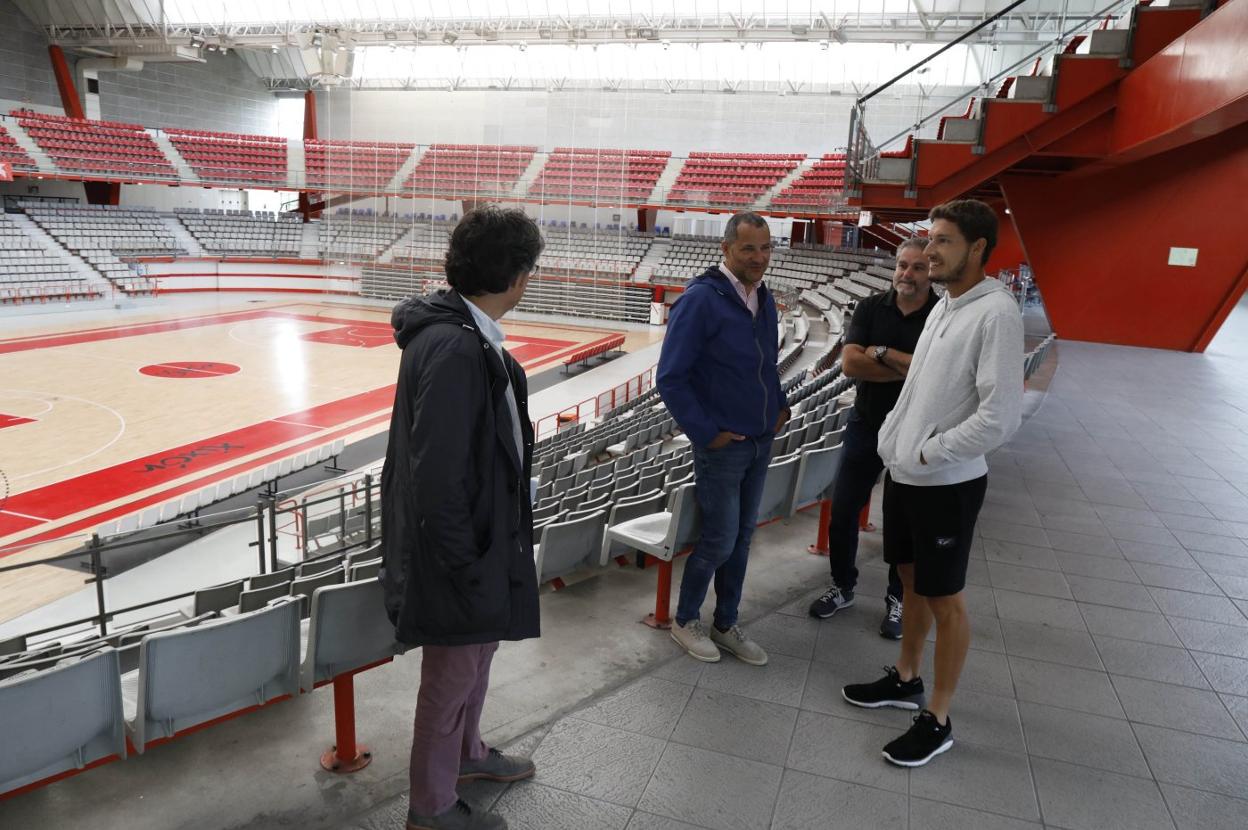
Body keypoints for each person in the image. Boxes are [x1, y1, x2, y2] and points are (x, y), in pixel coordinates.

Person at [842, 199, 1023, 767]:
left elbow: (1000, 417)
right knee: (912, 579)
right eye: (929, 239)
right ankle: (906, 677)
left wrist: (929, 451)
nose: (929, 251)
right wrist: (897, 441)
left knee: (946, 599)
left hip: (946, 482)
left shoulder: (996, 314)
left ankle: (938, 717)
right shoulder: (947, 305)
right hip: (909, 473)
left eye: (943, 241)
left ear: (977, 249)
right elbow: (917, 386)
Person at [380, 207, 544, 830]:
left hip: (484, 540)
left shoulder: (467, 335)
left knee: (476, 663)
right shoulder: (453, 346)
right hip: (459, 553)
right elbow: (437, 477)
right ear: (518, 276)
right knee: (449, 680)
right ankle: (432, 806)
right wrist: (464, 566)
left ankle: (469, 755)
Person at [657, 211, 789, 665]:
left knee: (743, 536)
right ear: (726, 249)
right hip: (724, 445)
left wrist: (780, 404)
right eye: (749, 248)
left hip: (760, 437)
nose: (759, 257)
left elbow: (766, 363)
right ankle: (686, 619)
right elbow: (671, 378)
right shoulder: (700, 300)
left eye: (766, 247)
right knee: (720, 538)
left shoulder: (763, 297)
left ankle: (727, 622)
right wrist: (707, 434)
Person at [808, 238, 937, 639]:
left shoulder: (939, 315)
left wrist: (879, 353)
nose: (907, 274)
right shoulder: (869, 307)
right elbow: (850, 364)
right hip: (866, 423)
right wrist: (907, 365)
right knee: (844, 508)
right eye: (902, 265)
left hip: (915, 430)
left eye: (917, 267)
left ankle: (897, 598)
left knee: (904, 522)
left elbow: (932, 376)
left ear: (930, 272)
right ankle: (842, 585)